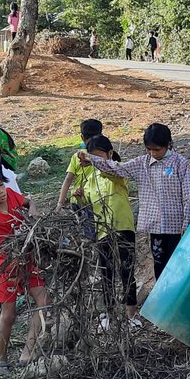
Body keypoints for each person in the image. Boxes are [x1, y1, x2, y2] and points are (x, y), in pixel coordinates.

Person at [78, 123, 190, 281]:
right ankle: (163, 301)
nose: (153, 153)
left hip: (177, 227)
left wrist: (186, 224)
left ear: (169, 144)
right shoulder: (141, 163)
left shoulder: (180, 163)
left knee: (178, 266)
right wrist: (91, 158)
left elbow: (187, 196)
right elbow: (116, 168)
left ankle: (178, 300)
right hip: (156, 227)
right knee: (159, 265)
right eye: (149, 149)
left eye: (157, 149)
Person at [0, 167, 46, 369]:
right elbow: (6, 247)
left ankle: (28, 350)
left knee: (43, 300)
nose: (0, 191)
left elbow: (28, 201)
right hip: (8, 266)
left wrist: (32, 208)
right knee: (9, 314)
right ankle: (1, 357)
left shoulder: (12, 196)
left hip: (29, 260)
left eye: (1, 185)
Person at [78, 135, 138, 320]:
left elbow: (107, 168)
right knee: (106, 272)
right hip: (102, 229)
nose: (94, 160)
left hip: (122, 225)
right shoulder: (90, 177)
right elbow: (87, 201)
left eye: (98, 156)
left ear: (110, 153)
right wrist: (79, 196)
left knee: (126, 269)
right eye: (91, 156)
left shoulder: (117, 169)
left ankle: (131, 315)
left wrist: (91, 160)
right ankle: (110, 314)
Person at [57, 119, 102, 239]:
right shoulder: (104, 156)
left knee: (84, 232)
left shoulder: (77, 156)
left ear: (82, 137)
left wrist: (60, 203)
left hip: (78, 200)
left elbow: (68, 180)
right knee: (93, 233)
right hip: (93, 201)